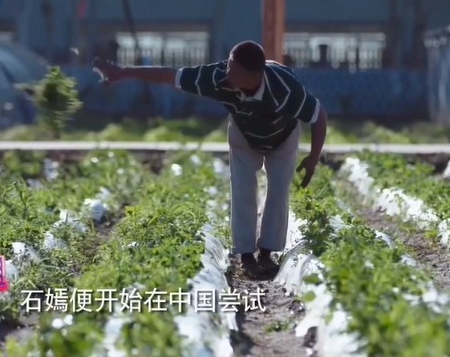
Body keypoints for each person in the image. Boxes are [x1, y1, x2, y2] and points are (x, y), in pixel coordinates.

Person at [93, 40, 328, 278]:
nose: (227, 71)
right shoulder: (218, 77)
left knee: (278, 191)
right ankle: (247, 256)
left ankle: (267, 254)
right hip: (244, 134)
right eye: (228, 65)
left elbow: (318, 116)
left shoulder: (284, 88)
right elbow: (170, 76)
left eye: (233, 69)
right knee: (243, 189)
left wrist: (312, 159)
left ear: (253, 73)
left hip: (283, 137)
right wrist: (122, 72)